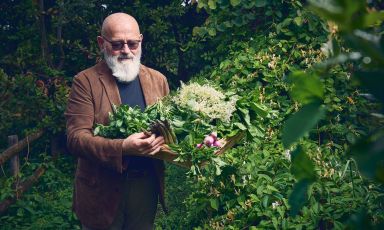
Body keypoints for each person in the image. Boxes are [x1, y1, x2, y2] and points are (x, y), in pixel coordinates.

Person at [65, 13, 169, 230]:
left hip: (145, 183)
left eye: (132, 43)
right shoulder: (85, 81)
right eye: (117, 44)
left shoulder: (158, 80)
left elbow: (168, 126)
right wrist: (123, 147)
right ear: (101, 43)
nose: (126, 51)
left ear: (140, 40)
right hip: (101, 187)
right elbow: (76, 139)